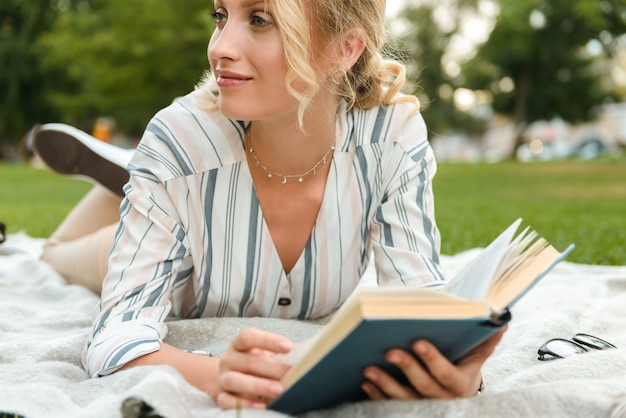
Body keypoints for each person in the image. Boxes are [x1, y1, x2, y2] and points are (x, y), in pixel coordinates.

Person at [32, 0, 505, 410]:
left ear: (346, 47)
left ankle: (135, 180)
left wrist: (460, 368)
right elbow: (113, 338)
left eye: (259, 19)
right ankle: (133, 180)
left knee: (164, 181)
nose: (219, 47)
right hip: (179, 250)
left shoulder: (392, 139)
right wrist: (215, 374)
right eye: (221, 16)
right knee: (57, 253)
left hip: (181, 183)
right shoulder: (179, 140)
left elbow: (420, 305)